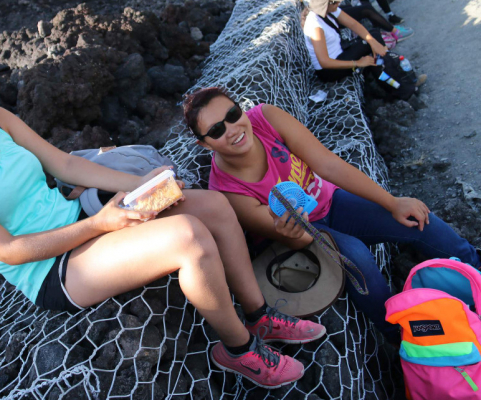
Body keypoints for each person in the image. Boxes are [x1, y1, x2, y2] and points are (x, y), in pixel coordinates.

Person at [0, 39, 327, 389]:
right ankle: (237, 351)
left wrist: (143, 186)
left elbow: (66, 166)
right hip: (54, 269)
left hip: (79, 220)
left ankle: (258, 315)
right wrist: (100, 223)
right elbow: (9, 249)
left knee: (210, 205)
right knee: (188, 237)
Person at [182, 87, 481, 343]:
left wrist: (392, 202)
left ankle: (474, 274)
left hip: (330, 201)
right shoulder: (227, 190)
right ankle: (407, 338)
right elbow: (296, 238)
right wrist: (294, 233)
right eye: (217, 130)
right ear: (204, 144)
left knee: (417, 220)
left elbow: (327, 164)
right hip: (304, 235)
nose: (232, 129)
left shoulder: (266, 118)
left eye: (233, 114)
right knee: (359, 259)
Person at [303, 0, 391, 82]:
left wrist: (373, 42)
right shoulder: (316, 27)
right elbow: (324, 62)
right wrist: (357, 63)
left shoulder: (330, 10)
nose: (339, 3)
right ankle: (396, 83)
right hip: (329, 71)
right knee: (372, 41)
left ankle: (385, 76)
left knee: (373, 36)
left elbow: (354, 24)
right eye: (336, 1)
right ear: (327, 3)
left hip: (340, 54)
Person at [296, 0, 414, 42]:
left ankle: (386, 28)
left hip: (330, 14)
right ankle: (394, 33)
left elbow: (329, 4)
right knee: (365, 8)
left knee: (364, 6)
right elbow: (327, 6)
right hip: (330, 17)